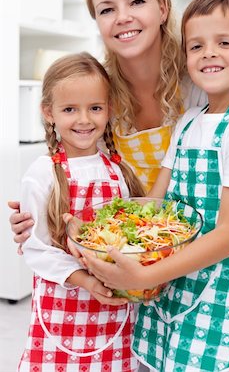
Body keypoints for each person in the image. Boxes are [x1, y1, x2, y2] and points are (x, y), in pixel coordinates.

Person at [9, 0, 229, 247]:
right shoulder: (95, 94)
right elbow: (72, 173)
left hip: (194, 251)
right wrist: (38, 211)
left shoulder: (201, 79)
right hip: (127, 250)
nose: (123, 17)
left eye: (137, 1)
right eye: (106, 10)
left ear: (163, 8)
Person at [78, 0, 229, 371]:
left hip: (219, 294)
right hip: (172, 286)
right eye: (196, 46)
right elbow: (156, 203)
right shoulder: (189, 120)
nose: (209, 53)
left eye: (224, 42)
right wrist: (109, 238)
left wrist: (145, 273)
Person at [17, 52, 144, 371]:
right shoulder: (42, 173)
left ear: (109, 109)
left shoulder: (119, 171)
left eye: (95, 108)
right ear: (49, 112)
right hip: (61, 309)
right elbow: (36, 249)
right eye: (70, 109)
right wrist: (86, 281)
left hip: (114, 312)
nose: (84, 120)